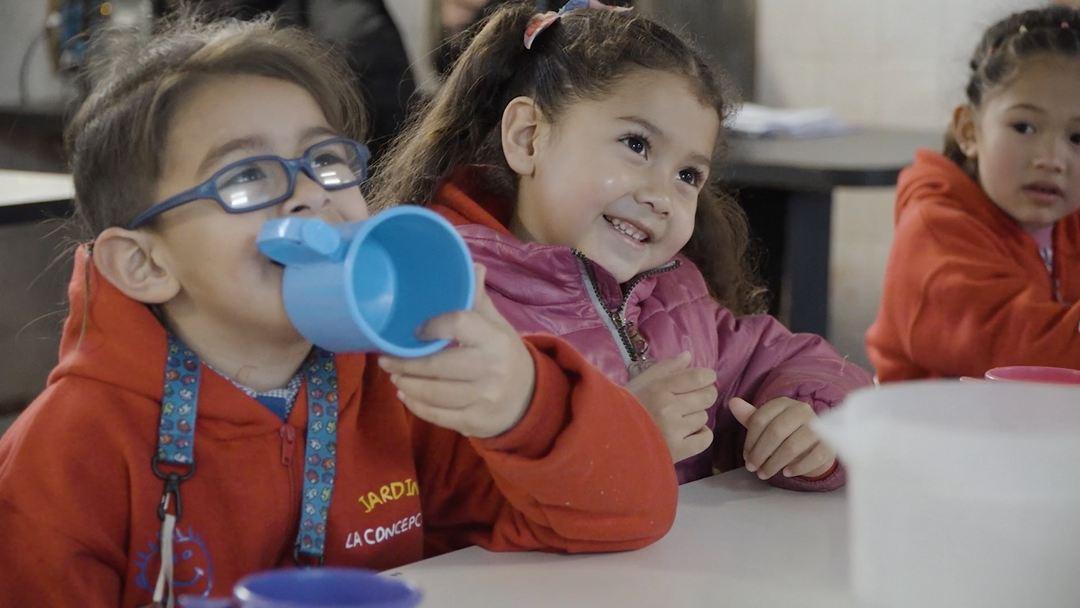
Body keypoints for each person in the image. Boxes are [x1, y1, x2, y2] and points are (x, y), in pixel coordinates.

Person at [0, 13, 679, 606]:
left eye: (324, 161)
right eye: (247, 176)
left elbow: (632, 515)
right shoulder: (68, 453)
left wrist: (524, 403)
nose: (309, 195)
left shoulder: (406, 387)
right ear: (145, 264)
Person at [371, 0, 871, 488]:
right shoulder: (451, 306)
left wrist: (809, 422)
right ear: (528, 137)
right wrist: (620, 436)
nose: (661, 196)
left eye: (688, 175)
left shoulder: (677, 299)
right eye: (637, 145)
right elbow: (444, 499)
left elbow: (794, 361)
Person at [867, 6, 1080, 381]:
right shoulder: (934, 231)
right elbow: (1022, 352)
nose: (1051, 159)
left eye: (1077, 137)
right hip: (935, 420)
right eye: (1024, 127)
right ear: (968, 131)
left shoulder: (1068, 217)